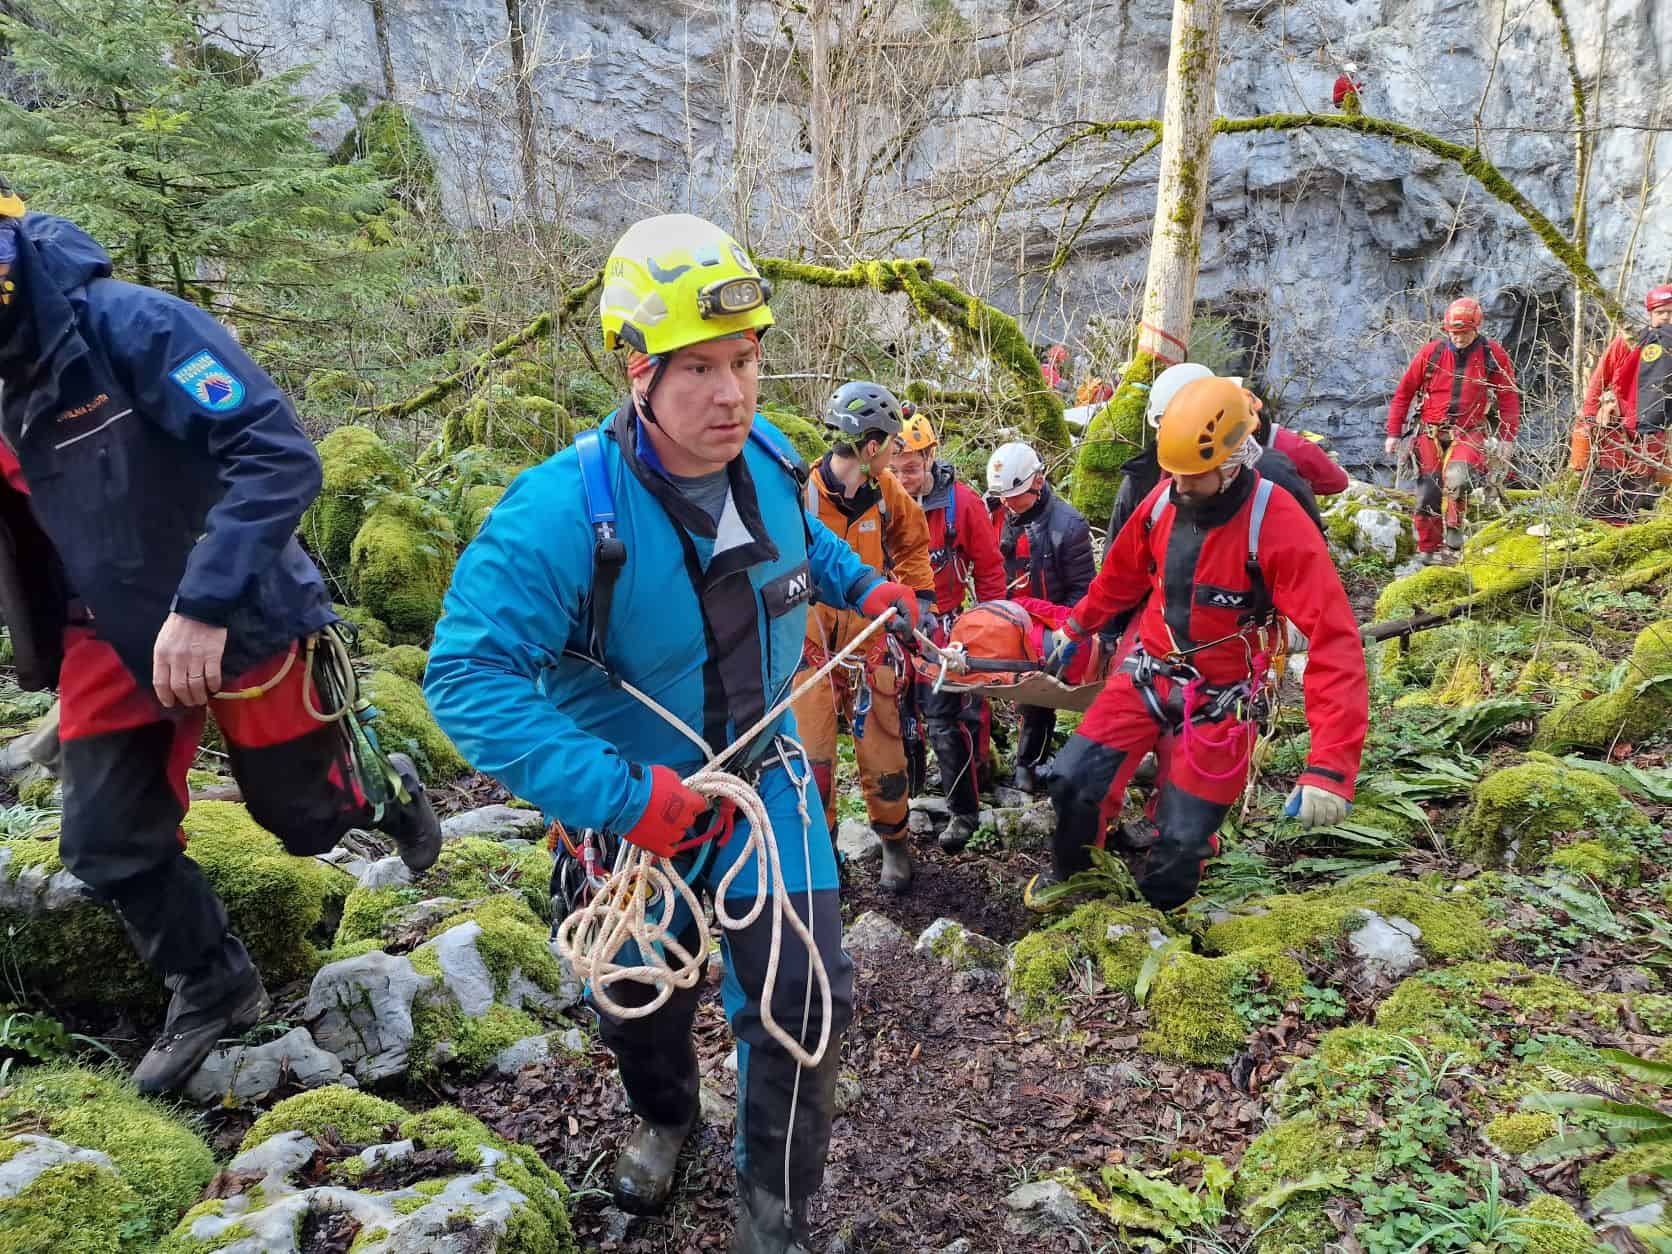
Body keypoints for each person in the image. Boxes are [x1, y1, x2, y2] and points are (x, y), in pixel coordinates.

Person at [425, 214, 920, 1253]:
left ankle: (771, 1212)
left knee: (801, 995)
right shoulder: (558, 515)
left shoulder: (770, 456)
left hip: (767, 783)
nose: (731, 392)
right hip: (631, 807)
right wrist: (618, 797)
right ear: (635, 370)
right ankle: (666, 1115)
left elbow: (801, 557)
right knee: (638, 999)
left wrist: (867, 583)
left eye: (743, 360)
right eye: (698, 367)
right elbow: (466, 678)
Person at [0, 187, 440, 1095]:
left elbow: (278, 453)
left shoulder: (131, 326)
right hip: (105, 634)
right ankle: (212, 982)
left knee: (306, 822)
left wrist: (201, 602)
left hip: (233, 608)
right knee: (104, 841)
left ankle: (384, 787)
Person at [1036, 377, 1367, 912]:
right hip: (1148, 670)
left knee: (1186, 837)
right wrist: (1078, 627)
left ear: (1235, 460)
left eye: (1194, 476)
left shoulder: (1277, 524)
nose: (1180, 486)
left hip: (1223, 697)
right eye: (1173, 473)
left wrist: (1330, 765)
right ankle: (1076, 877)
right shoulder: (1162, 502)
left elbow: (1334, 643)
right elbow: (1119, 578)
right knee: (1073, 780)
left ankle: (1159, 915)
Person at [795, 381, 934, 893]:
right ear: (872, 447)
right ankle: (822, 851)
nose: (898, 453)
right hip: (810, 649)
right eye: (894, 443)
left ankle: (894, 842)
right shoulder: (802, 497)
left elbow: (913, 543)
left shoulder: (888, 495)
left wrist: (923, 601)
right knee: (812, 756)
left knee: (884, 748)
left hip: (869, 638)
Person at [892, 410, 1006, 851]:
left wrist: (992, 623)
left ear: (930, 458)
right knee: (901, 716)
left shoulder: (961, 503)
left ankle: (964, 808)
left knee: (944, 718)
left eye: (912, 468)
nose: (903, 479)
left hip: (944, 626)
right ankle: (914, 792)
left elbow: (990, 567)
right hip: (893, 624)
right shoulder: (879, 502)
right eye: (894, 468)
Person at [989, 440, 1096, 793]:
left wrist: (1043, 615)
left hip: (1049, 625)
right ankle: (989, 752)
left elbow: (1083, 593)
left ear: (1037, 482)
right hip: (1004, 617)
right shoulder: (997, 513)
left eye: (1013, 496)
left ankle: (1027, 764)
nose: (1007, 503)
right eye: (1003, 496)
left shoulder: (1068, 526)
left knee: (1037, 689)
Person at [1384, 297, 1521, 560]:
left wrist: (1507, 437)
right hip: (1430, 430)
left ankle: (1455, 524)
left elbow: (1508, 396)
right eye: (1454, 333)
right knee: (1428, 490)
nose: (1458, 338)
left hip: (1469, 430)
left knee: (1458, 479)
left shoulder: (1492, 355)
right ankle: (1428, 546)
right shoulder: (1431, 354)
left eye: (1464, 333)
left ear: (1476, 329)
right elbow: (1404, 393)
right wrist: (1393, 433)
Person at [1571, 283, 1672, 518]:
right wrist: (1588, 418)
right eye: (1661, 312)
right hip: (1615, 429)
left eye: (1671, 312)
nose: (1666, 318)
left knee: (1636, 495)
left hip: (1652, 433)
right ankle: (1592, 538)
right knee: (1600, 492)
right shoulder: (1629, 342)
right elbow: (1600, 378)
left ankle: (1623, 541)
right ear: (1651, 315)